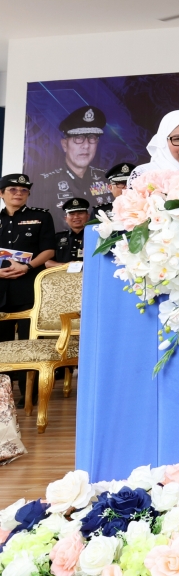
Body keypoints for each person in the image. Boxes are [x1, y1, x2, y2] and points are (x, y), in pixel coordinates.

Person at [0, 174, 56, 408]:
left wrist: (27, 266)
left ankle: (27, 394)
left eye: (23, 190)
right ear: (2, 193)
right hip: (1, 287)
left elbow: (49, 251)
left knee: (28, 344)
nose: (18, 193)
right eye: (12, 189)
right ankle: (4, 398)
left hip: (28, 289)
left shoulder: (41, 216)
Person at [34, 106, 112, 213]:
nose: (86, 145)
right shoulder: (45, 184)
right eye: (78, 138)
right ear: (65, 144)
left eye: (92, 138)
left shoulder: (108, 180)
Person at [48, 197, 91, 267]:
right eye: (72, 214)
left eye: (80, 213)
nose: (76, 217)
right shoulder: (57, 238)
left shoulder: (94, 236)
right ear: (66, 218)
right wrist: (66, 266)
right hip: (63, 275)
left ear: (88, 216)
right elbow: (47, 262)